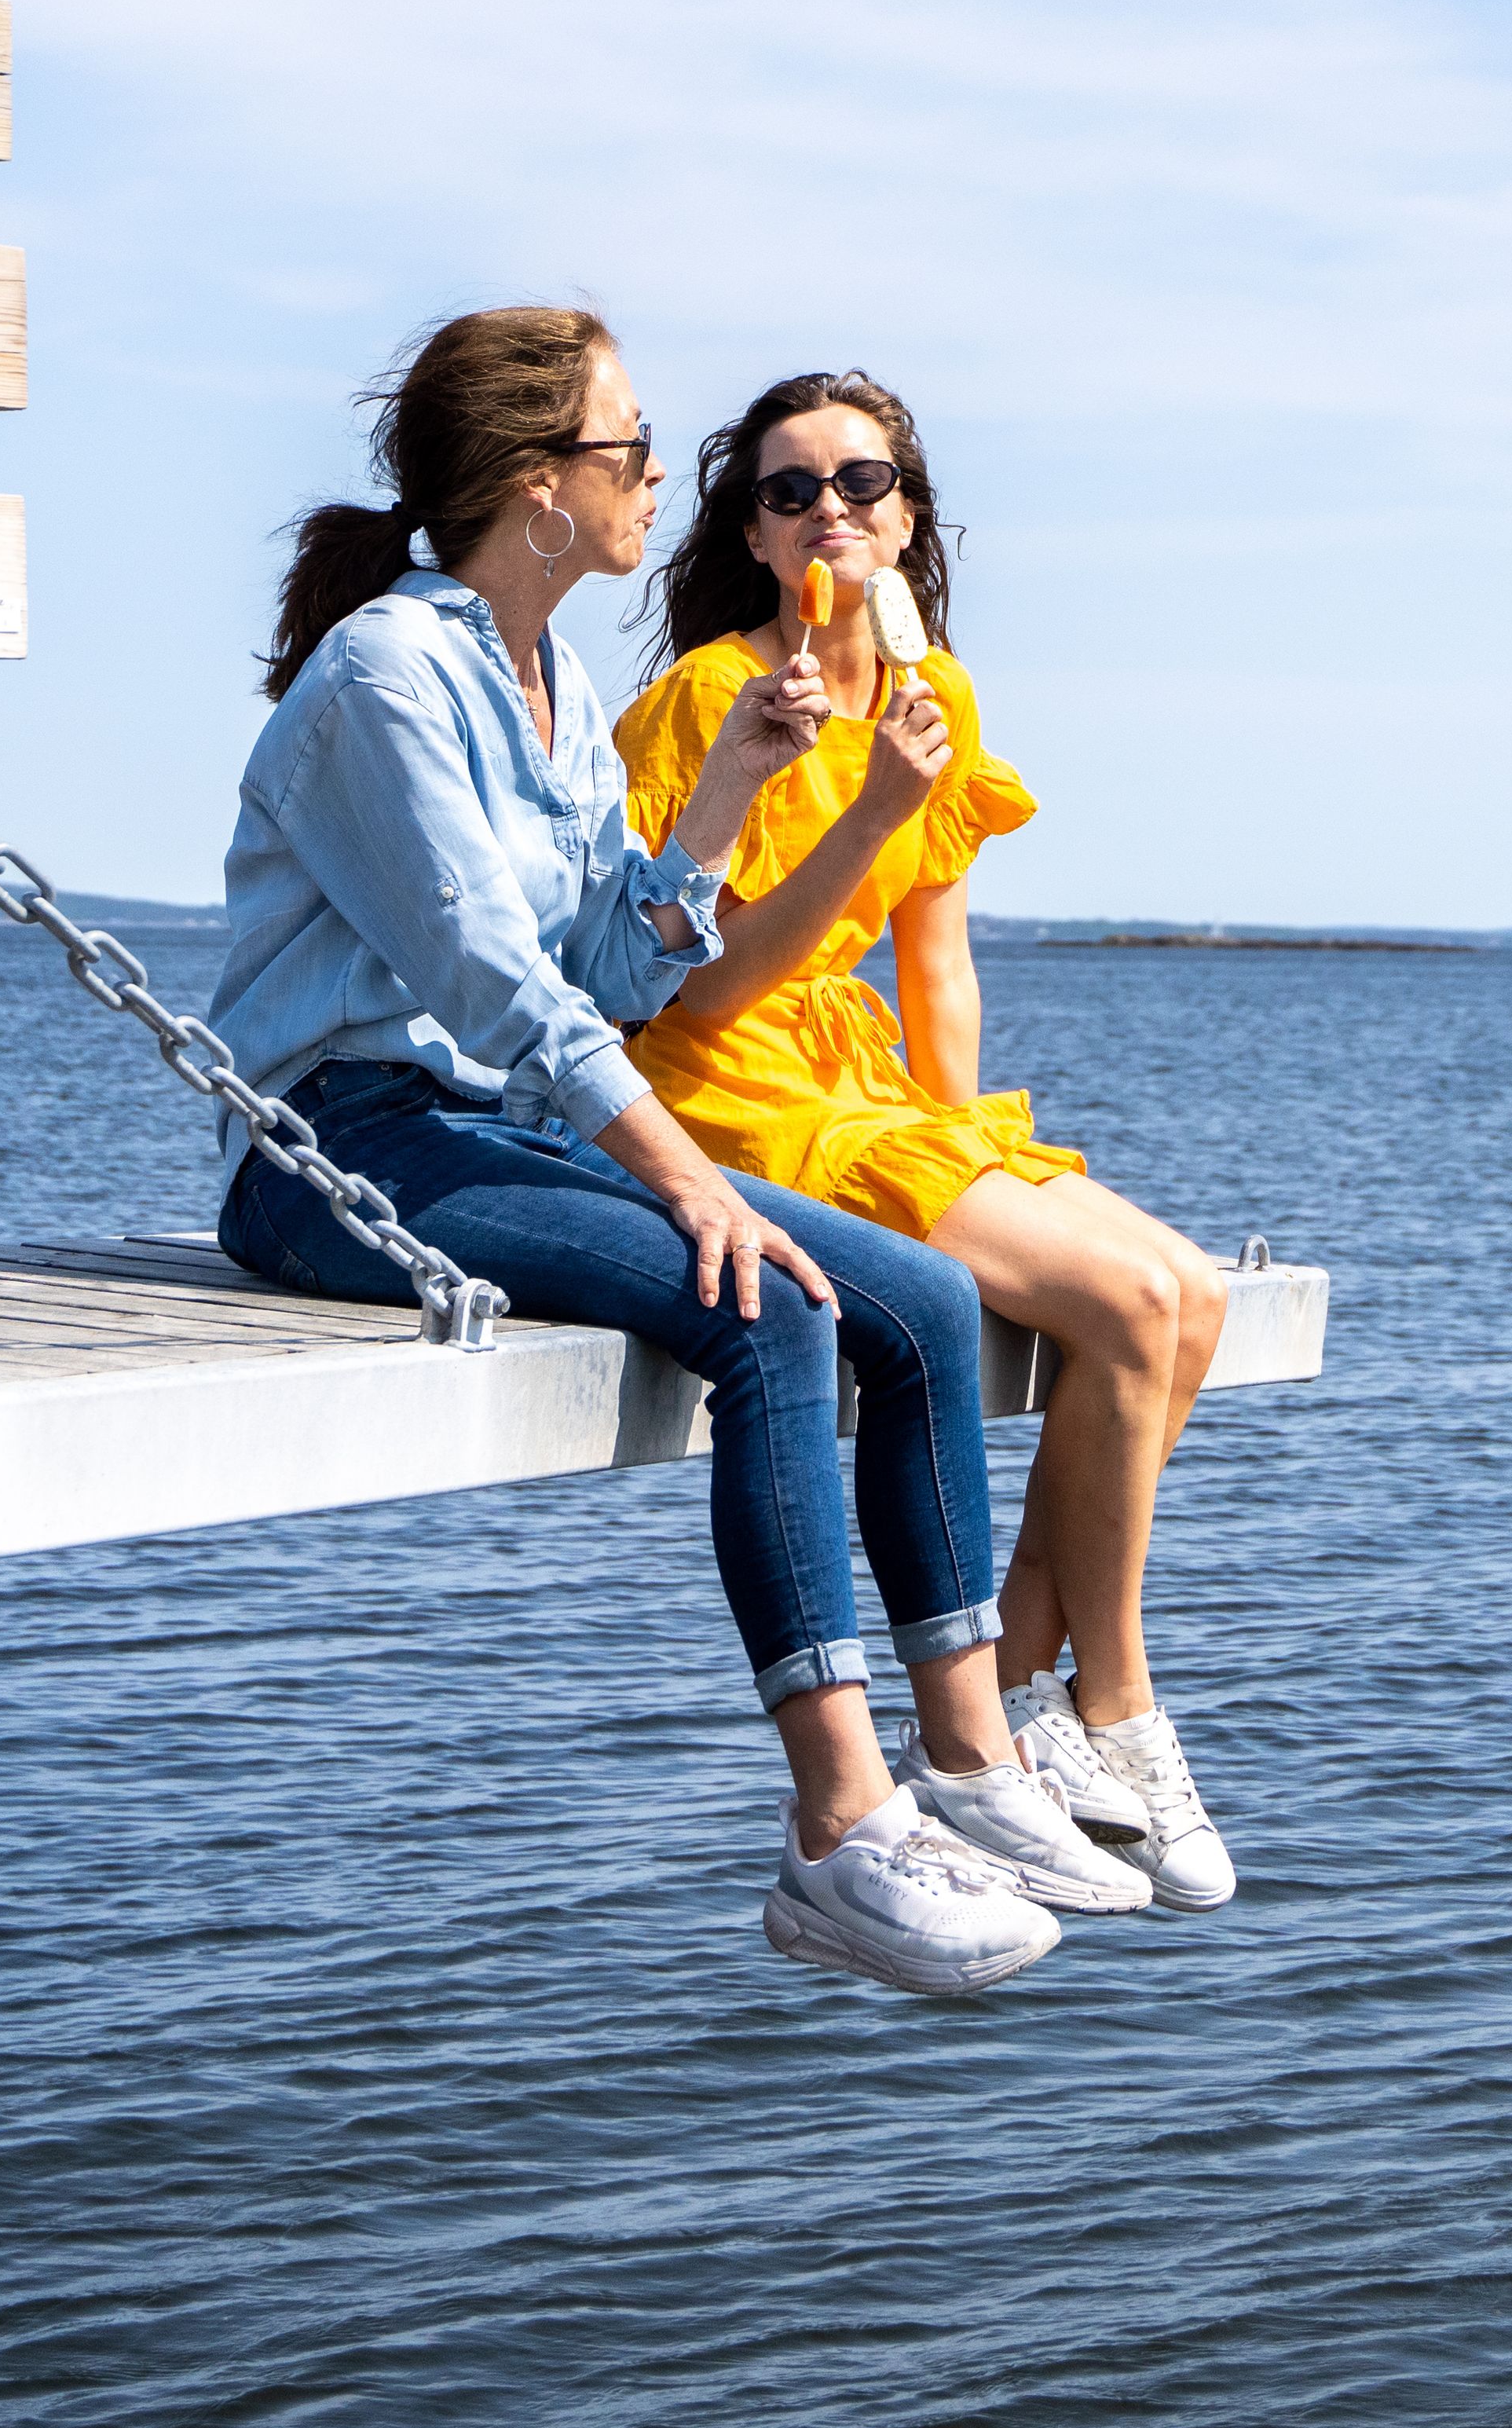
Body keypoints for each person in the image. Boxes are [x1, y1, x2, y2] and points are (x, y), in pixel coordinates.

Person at [208, 307, 1144, 1994]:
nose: (658, 476)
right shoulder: (388, 675)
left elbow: (616, 971)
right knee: (764, 1300)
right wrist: (685, 1170)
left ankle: (972, 1771)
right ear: (537, 488)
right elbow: (492, 985)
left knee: (921, 1302)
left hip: (501, 1130)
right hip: (344, 1151)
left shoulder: (550, 682)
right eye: (628, 446)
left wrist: (718, 795)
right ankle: (837, 1832)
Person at [615, 370, 1245, 1908]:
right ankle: (1107, 1711)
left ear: (906, 517)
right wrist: (864, 797)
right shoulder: (715, 698)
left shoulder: (934, 696)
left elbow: (935, 955)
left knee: (1192, 1298)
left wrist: (964, 1148)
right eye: (791, 490)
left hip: (872, 1092)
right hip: (731, 1087)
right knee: (1128, 1302)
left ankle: (1028, 1696)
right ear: (754, 537)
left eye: (863, 481)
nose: (833, 510)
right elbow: (695, 972)